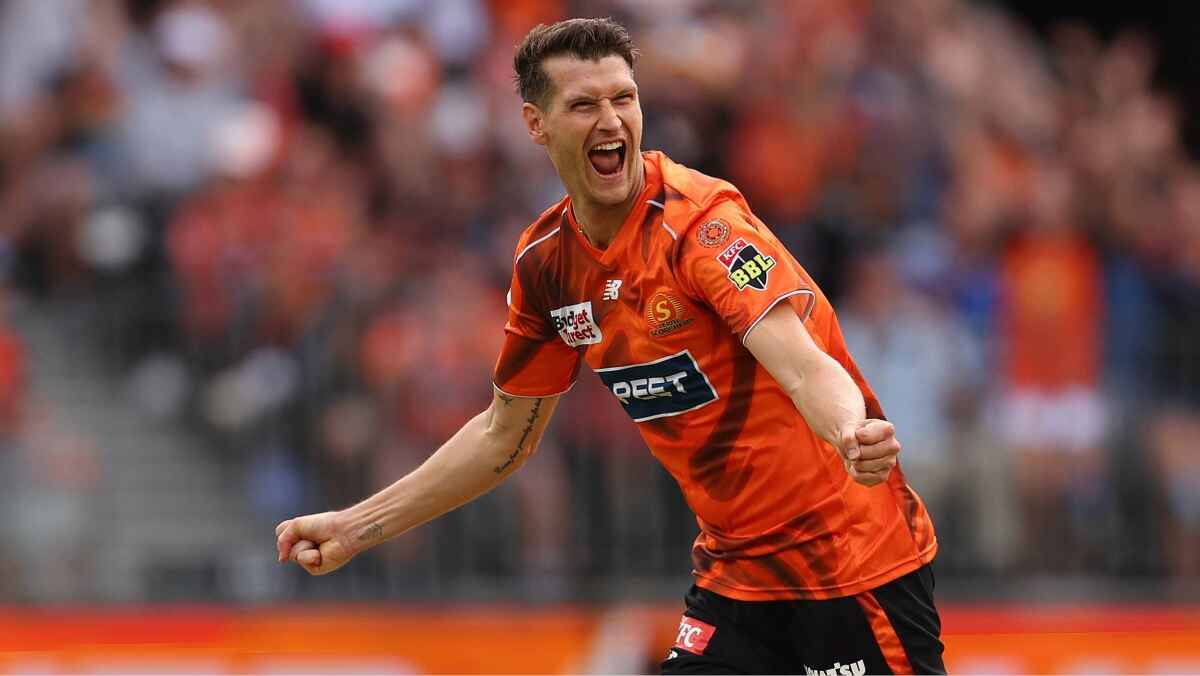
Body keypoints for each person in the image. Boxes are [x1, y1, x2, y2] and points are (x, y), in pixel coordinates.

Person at [275, 17, 943, 675]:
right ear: (537, 124)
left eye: (624, 98)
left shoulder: (702, 227)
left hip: (854, 561)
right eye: (584, 104)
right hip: (738, 578)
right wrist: (356, 527)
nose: (612, 120)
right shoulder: (547, 265)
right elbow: (504, 437)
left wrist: (853, 433)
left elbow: (801, 366)